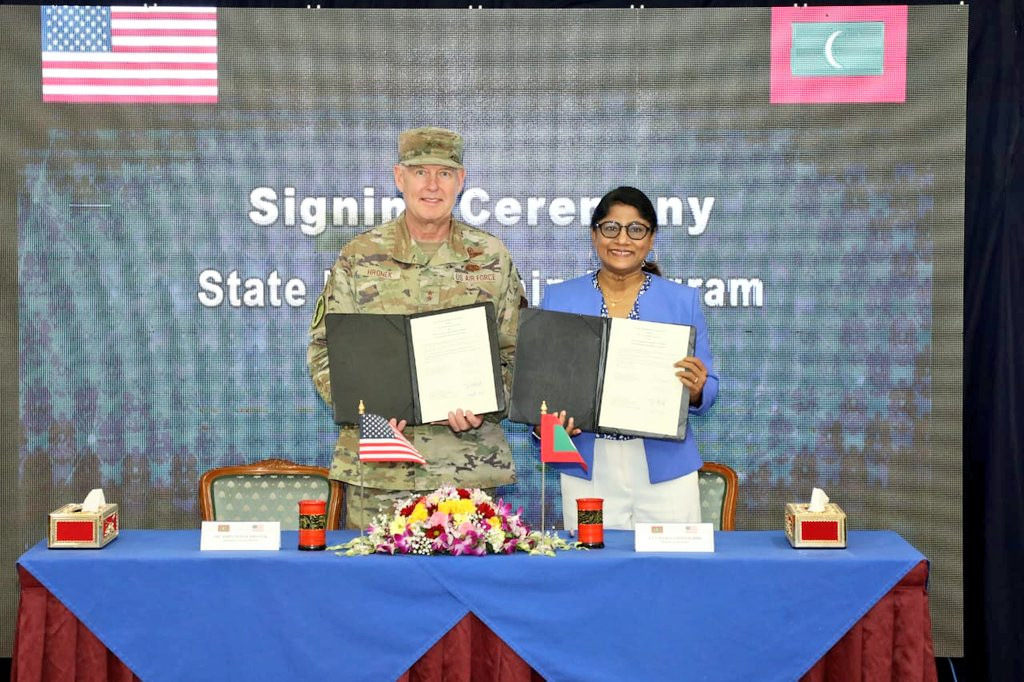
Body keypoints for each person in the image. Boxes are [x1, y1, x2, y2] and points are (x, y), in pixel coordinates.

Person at [307, 126, 526, 529]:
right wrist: (366, 410)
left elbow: (518, 353)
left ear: (460, 181)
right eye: (420, 171)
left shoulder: (491, 257)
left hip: (467, 466)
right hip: (380, 469)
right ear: (399, 177)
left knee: (466, 571)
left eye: (444, 173)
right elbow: (325, 350)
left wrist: (487, 405)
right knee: (375, 571)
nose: (432, 185)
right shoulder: (359, 256)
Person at [539, 186, 719, 530]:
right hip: (586, 466)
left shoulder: (681, 301)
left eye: (636, 229)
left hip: (666, 468)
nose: (622, 239)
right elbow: (544, 391)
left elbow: (708, 388)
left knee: (673, 558)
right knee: (592, 556)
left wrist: (697, 390)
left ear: (650, 239)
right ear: (594, 235)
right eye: (611, 228)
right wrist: (548, 428)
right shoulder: (560, 298)